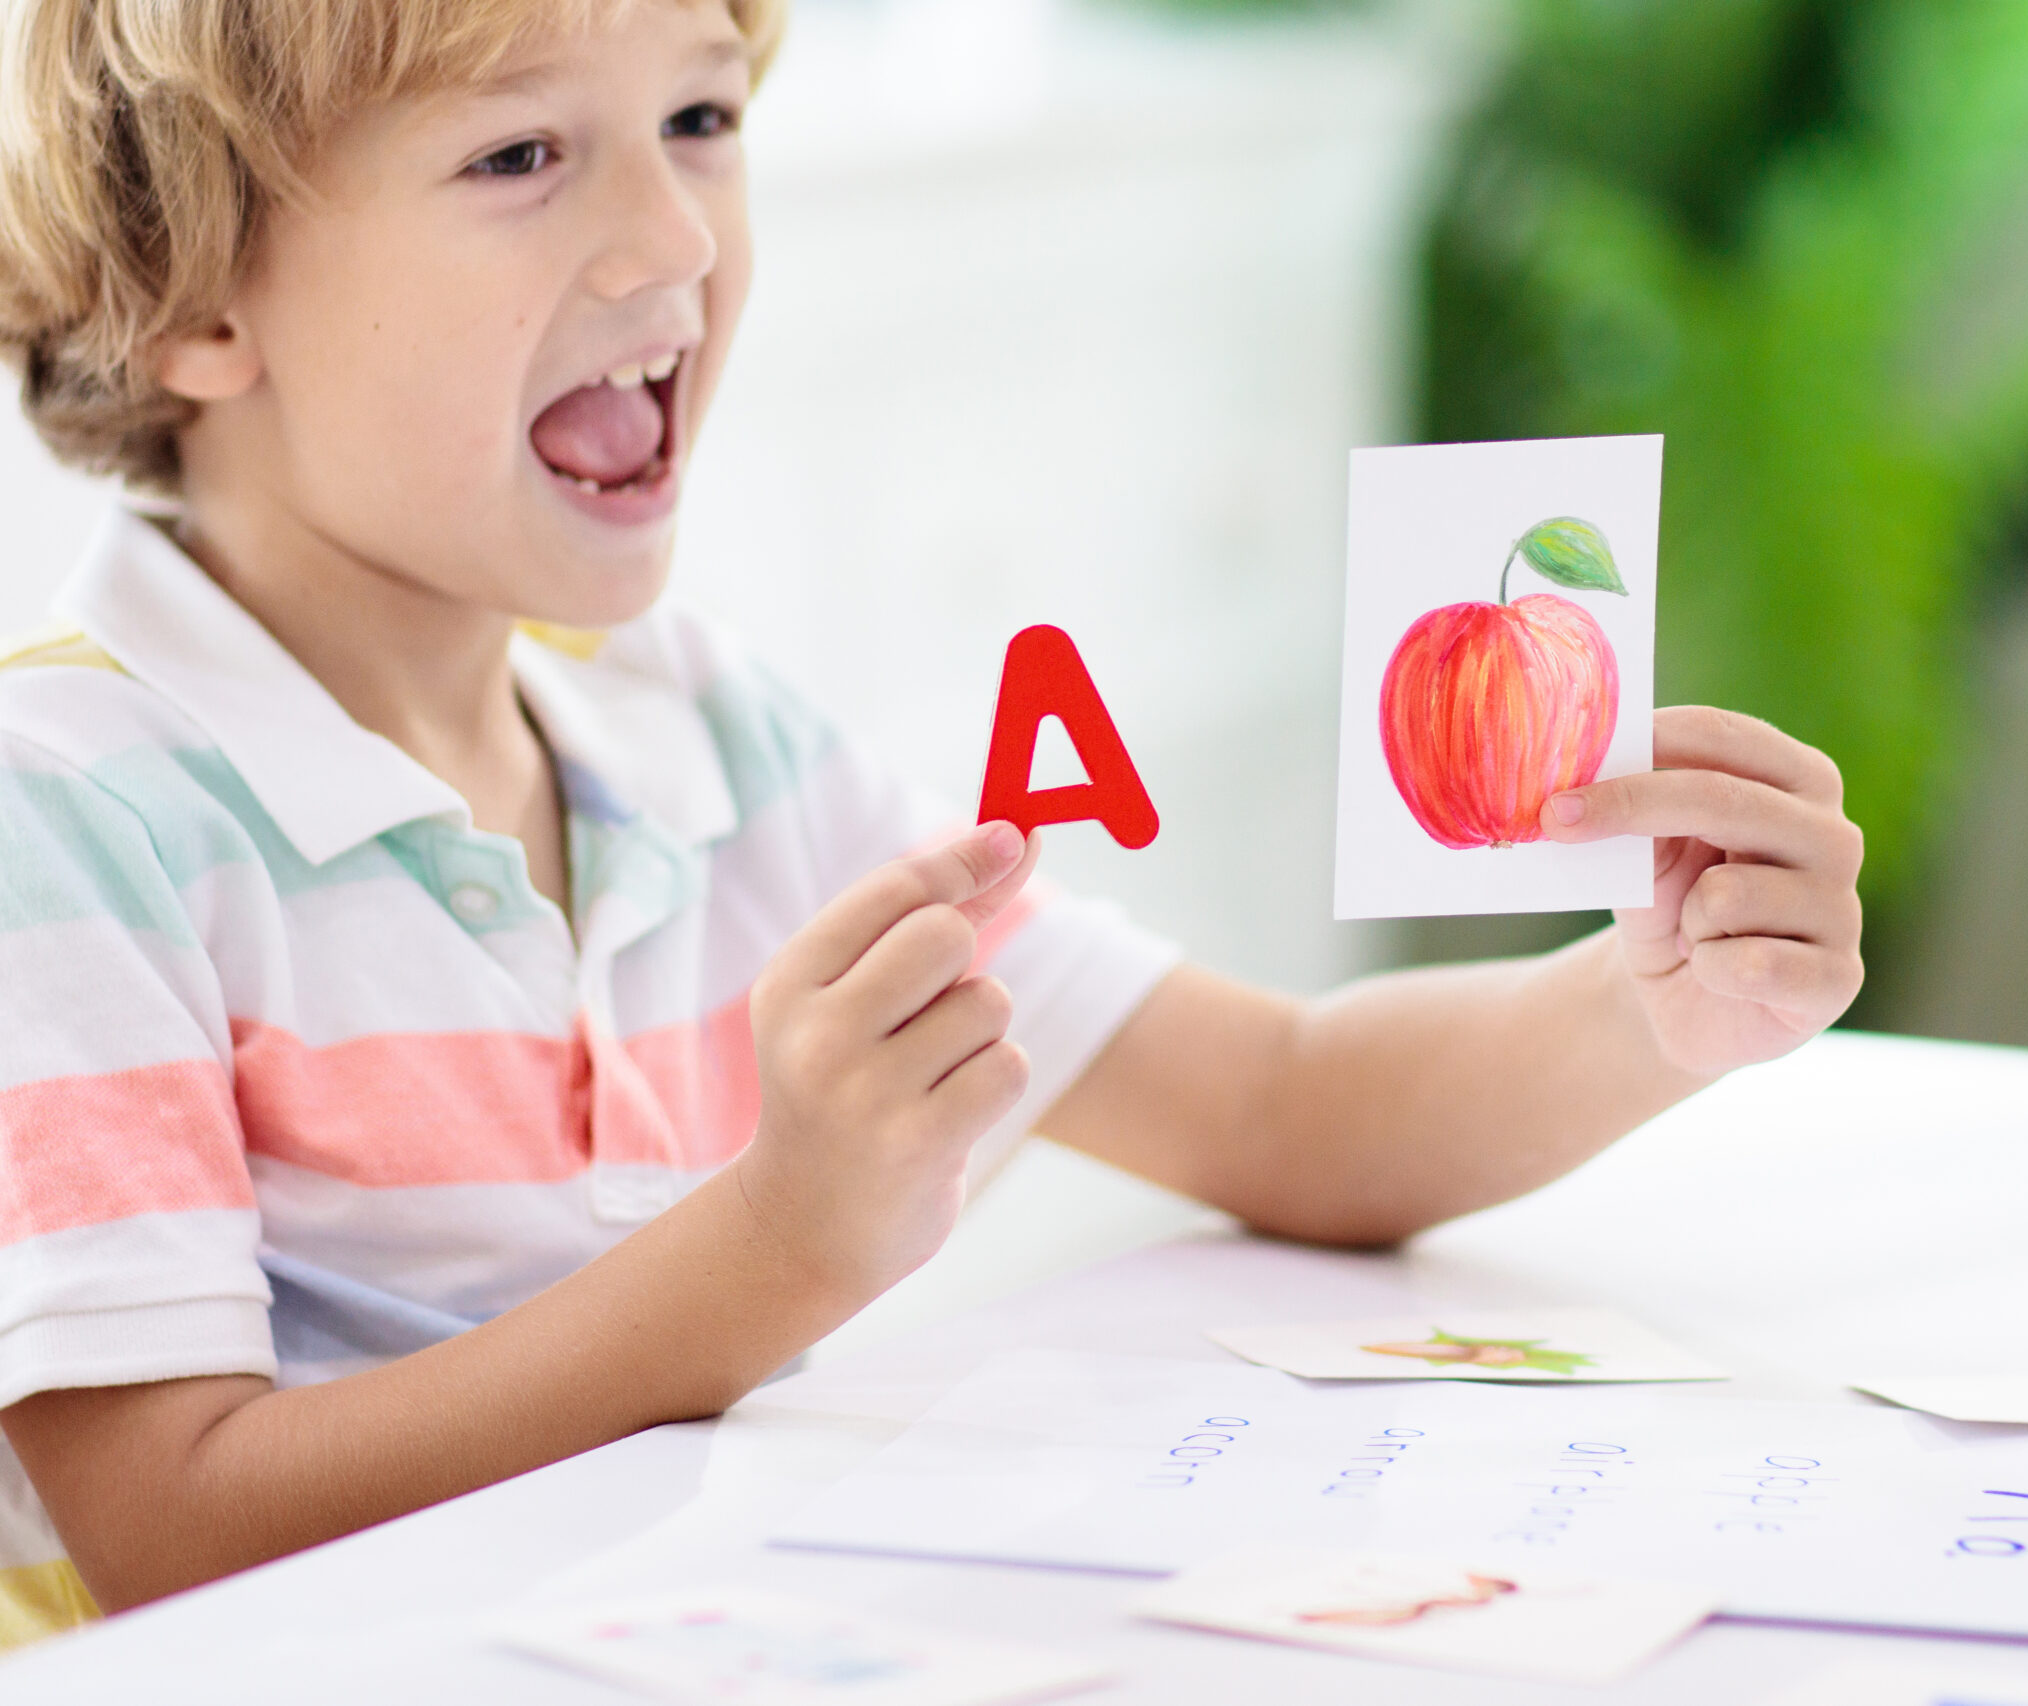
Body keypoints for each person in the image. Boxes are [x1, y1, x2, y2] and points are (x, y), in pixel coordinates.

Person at [0, 0, 1864, 1644]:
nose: (671, 238)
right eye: (518, 152)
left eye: (704, 121)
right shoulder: (64, 814)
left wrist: (1652, 1003)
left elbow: (1292, 1107)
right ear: (194, 294)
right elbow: (171, 1526)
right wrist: (775, 1252)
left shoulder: (711, 743)